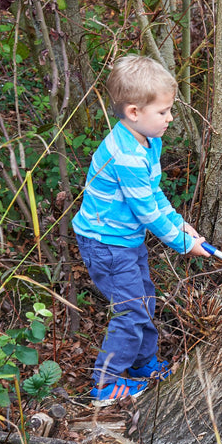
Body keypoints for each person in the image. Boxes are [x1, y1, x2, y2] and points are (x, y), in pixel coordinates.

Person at [72, 54, 211, 406]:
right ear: (134, 112)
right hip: (106, 244)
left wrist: (181, 225)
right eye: (163, 112)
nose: (170, 117)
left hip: (124, 239)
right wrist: (183, 244)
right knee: (131, 308)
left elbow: (154, 194)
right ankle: (105, 384)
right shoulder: (126, 157)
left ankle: (142, 365)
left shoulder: (148, 142)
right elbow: (147, 212)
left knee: (144, 300)